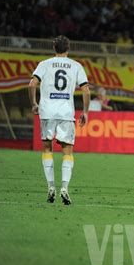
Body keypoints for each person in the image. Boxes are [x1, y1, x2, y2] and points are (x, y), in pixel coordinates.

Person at [28, 35, 90, 205]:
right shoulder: (76, 66)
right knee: (67, 151)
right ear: (68, 48)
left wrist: (34, 103)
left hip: (47, 111)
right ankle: (64, 187)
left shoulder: (44, 64)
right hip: (65, 113)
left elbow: (32, 84)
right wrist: (85, 111)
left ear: (54, 48)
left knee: (47, 149)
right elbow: (85, 90)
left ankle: (50, 187)